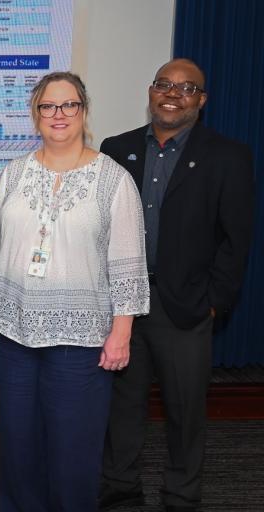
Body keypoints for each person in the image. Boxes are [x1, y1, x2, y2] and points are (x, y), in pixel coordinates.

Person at [0, 72, 150, 511]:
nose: (58, 115)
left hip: (82, 344)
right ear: (36, 115)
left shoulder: (113, 180)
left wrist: (121, 332)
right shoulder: (14, 174)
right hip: (15, 334)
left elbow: (128, 262)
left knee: (73, 455)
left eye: (68, 105)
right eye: (48, 106)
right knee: (18, 448)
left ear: (83, 110)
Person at [99, 59, 256, 512]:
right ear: (150, 91)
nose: (172, 93)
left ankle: (182, 494)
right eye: (163, 84)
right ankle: (119, 488)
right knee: (122, 405)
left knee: (185, 410)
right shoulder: (117, 148)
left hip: (185, 307)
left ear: (201, 100)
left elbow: (236, 239)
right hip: (124, 302)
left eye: (186, 88)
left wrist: (214, 303)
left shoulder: (228, 155)